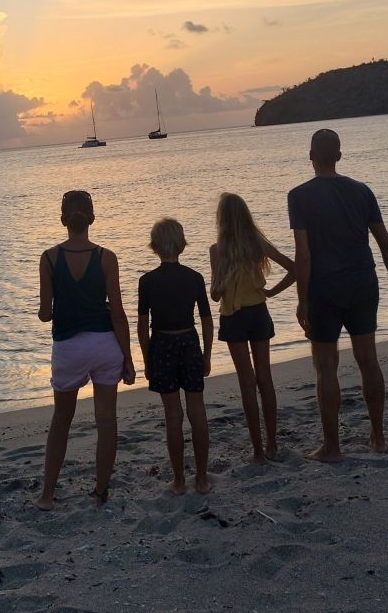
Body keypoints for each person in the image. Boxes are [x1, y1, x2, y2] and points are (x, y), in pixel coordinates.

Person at [289, 129, 388, 463]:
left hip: (324, 288)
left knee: (326, 366)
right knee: (368, 359)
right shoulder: (361, 191)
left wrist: (302, 299)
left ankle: (332, 446)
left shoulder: (299, 196)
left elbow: (304, 255)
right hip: (362, 283)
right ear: (339, 156)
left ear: (311, 155)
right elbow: (384, 242)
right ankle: (378, 438)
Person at [35, 190, 136, 510]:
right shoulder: (107, 257)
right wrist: (129, 359)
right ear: (91, 218)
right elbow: (118, 313)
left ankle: (48, 495)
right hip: (105, 343)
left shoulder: (49, 258)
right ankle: (100, 492)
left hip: (68, 347)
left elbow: (45, 313)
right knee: (106, 420)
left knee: (62, 418)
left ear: (63, 219)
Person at [209, 193, 295, 464]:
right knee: (264, 379)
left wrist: (225, 280)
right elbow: (293, 269)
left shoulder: (218, 249)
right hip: (258, 312)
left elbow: (214, 295)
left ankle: (258, 450)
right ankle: (272, 445)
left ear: (221, 219)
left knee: (247, 383)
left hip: (234, 317)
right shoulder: (256, 243)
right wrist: (271, 292)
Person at [137, 218, 214, 495]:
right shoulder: (194, 277)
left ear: (155, 246)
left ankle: (180, 481)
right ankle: (202, 479)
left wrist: (147, 360)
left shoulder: (147, 281)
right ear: (181, 244)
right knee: (197, 410)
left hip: (162, 344)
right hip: (189, 341)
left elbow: (142, 326)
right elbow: (206, 320)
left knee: (173, 415)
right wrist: (207, 354)